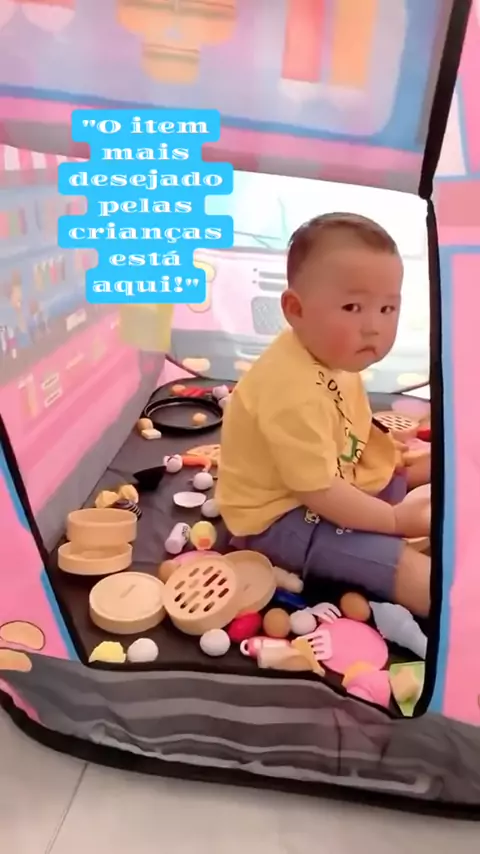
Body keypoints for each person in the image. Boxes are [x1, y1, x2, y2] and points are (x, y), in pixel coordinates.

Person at [216, 213, 431, 617]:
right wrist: (393, 520)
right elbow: (319, 492)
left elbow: (345, 425)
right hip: (279, 519)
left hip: (329, 477)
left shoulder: (332, 355)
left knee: (405, 469)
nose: (374, 327)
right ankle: (460, 608)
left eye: (388, 308)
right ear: (295, 309)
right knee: (402, 566)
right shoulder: (290, 391)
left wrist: (392, 452)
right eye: (352, 307)